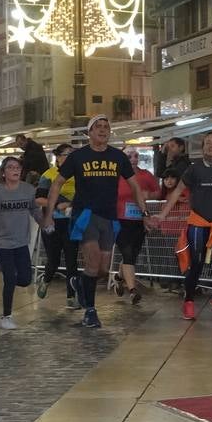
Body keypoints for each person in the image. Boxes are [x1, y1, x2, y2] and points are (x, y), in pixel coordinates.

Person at [41, 115, 153, 329]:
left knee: (101, 269)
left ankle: (79, 282)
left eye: (106, 126)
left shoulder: (118, 157)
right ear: (90, 132)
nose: (103, 130)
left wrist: (145, 213)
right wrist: (48, 214)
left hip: (109, 217)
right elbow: (56, 184)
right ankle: (90, 313)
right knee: (92, 263)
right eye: (98, 127)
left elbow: (135, 186)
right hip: (85, 215)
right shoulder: (78, 157)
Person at [155, 130, 212, 320]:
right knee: (197, 262)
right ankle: (189, 301)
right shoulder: (194, 169)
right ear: (202, 148)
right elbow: (177, 192)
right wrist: (162, 215)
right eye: (207, 142)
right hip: (198, 222)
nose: (211, 145)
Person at [0, 156, 41, 329]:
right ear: (4, 172)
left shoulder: (28, 189)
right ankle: (6, 316)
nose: (15, 170)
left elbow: (34, 209)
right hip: (2, 241)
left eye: (18, 167)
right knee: (10, 278)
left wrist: (45, 222)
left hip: (21, 240)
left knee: (26, 279)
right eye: (11, 167)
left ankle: (10, 275)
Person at [36, 143, 80, 308]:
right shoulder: (49, 175)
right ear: (58, 157)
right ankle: (46, 280)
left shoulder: (78, 174)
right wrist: (56, 205)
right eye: (66, 154)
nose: (69, 157)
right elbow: (38, 199)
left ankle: (71, 297)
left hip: (71, 223)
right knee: (53, 260)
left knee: (72, 261)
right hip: (51, 222)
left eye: (72, 154)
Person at [114, 155, 160, 305]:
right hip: (120, 220)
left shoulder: (146, 175)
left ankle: (119, 278)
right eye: (128, 156)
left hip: (139, 220)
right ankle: (133, 290)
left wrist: (149, 195)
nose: (132, 159)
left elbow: (158, 192)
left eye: (135, 156)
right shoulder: (115, 176)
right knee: (127, 252)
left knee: (132, 255)